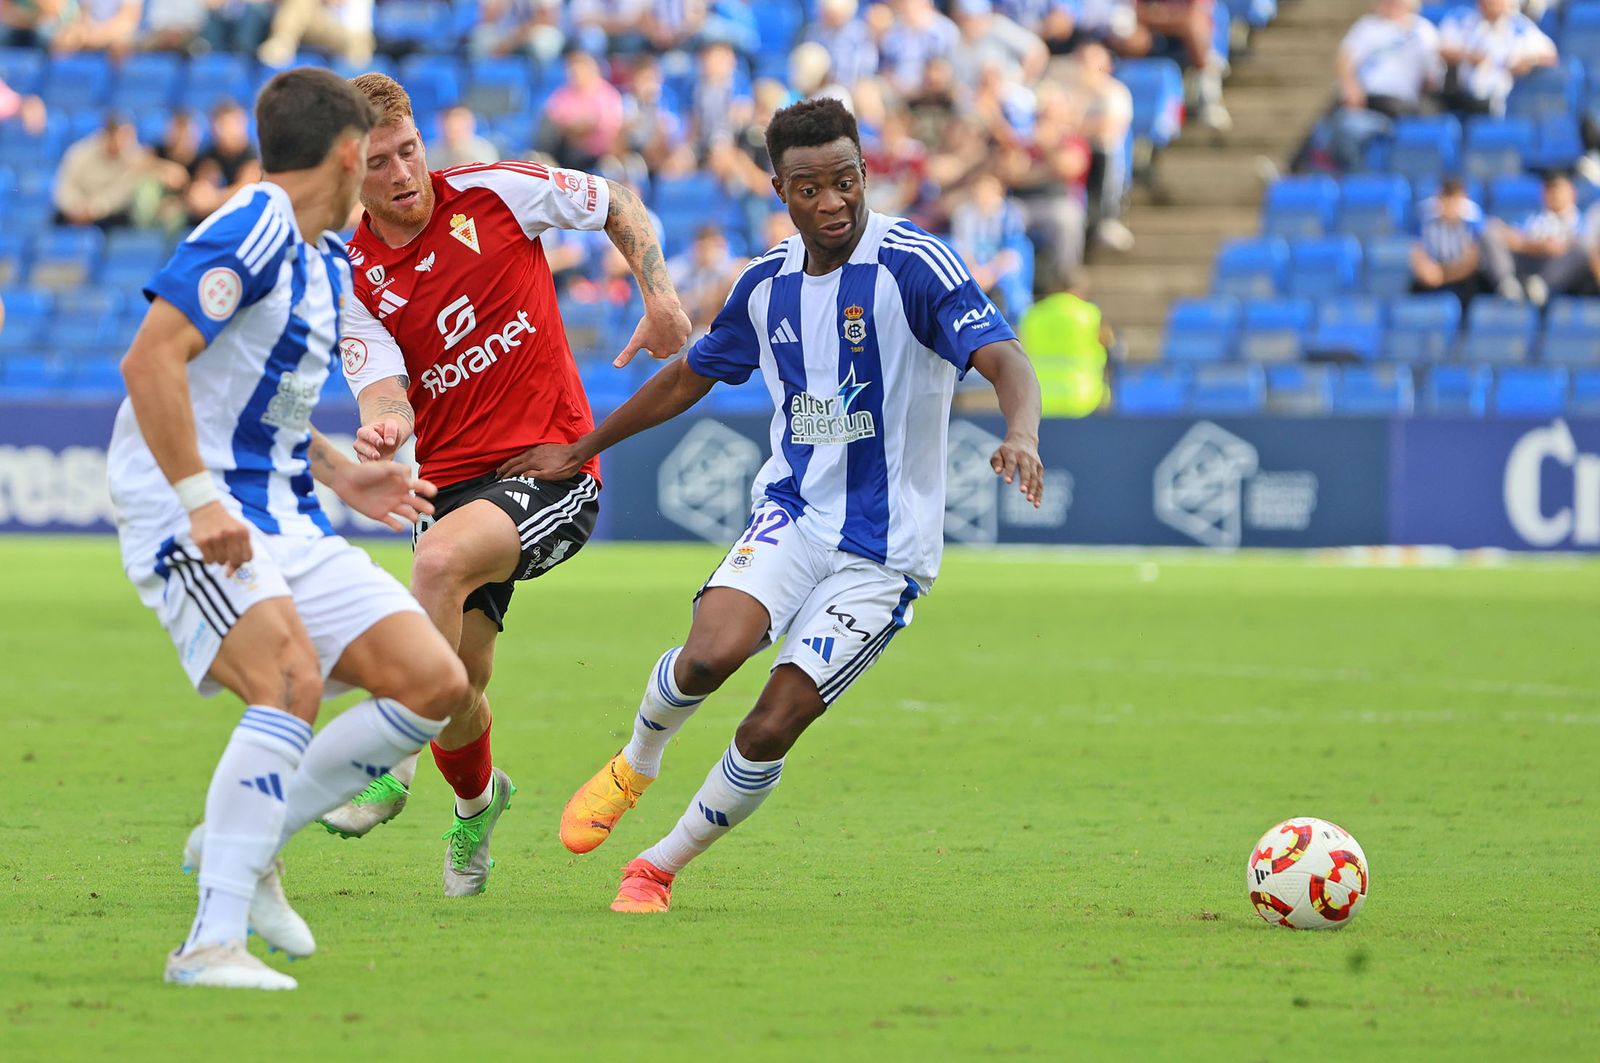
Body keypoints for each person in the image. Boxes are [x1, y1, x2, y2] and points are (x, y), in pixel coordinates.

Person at [516, 97, 1044, 913]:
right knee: (705, 657)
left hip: (884, 553)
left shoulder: (916, 264)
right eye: (809, 187)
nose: (831, 201)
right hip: (794, 515)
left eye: (846, 181)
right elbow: (693, 374)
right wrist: (584, 446)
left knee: (769, 724)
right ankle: (636, 761)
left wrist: (1024, 432)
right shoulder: (764, 283)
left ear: (865, 174)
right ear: (780, 189)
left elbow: (1006, 357)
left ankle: (654, 867)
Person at [109, 67, 469, 991]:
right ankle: (210, 940)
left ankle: (250, 836)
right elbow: (151, 359)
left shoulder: (318, 257)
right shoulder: (256, 225)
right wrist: (197, 497)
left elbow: (250, 397)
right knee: (289, 679)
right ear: (349, 155)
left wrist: (345, 469)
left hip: (281, 511)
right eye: (371, 157)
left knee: (434, 681)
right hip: (191, 506)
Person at [316, 72, 690, 897]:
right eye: (380, 164)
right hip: (450, 483)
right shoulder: (356, 279)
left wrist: (659, 298)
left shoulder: (495, 193)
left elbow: (617, 199)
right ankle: (480, 803)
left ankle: (388, 755)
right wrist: (383, 428)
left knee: (437, 564)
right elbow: (384, 396)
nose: (404, 173)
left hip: (550, 468)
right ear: (351, 173)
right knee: (462, 689)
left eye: (409, 151)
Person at [53, 115, 188, 230]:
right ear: (109, 136)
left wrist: (93, 209)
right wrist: (75, 208)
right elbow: (65, 186)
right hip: (72, 213)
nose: (129, 143)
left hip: (104, 217)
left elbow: (119, 193)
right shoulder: (79, 153)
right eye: (123, 137)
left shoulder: (131, 156)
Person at [1481, 171, 1584, 306]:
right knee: (1490, 230)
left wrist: (1524, 243)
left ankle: (1540, 286)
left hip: (1552, 267)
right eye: (1549, 190)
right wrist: (1533, 245)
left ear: (1572, 193)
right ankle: (1507, 284)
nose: (1555, 195)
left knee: (1581, 249)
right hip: (1524, 259)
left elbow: (1558, 248)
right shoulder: (1533, 216)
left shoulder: (1578, 220)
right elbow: (1510, 235)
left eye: (1559, 190)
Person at [1438, 0, 1556, 116]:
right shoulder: (1463, 19)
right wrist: (1467, 56)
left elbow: (1550, 55)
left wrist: (1529, 61)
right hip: (1459, 95)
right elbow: (1440, 49)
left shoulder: (1519, 26)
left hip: (1501, 100)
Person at [1411, 177, 1486, 306]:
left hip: (1461, 275)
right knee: (1414, 293)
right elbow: (1417, 250)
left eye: (1454, 201)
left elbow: (1472, 260)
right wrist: (1426, 270)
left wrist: (1444, 277)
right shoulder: (1424, 215)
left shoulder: (1473, 218)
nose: (1450, 207)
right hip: (1434, 271)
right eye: (1446, 200)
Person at [426, 104, 500, 170]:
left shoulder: (484, 150)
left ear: (470, 124)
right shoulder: (430, 153)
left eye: (458, 124)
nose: (453, 127)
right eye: (449, 124)